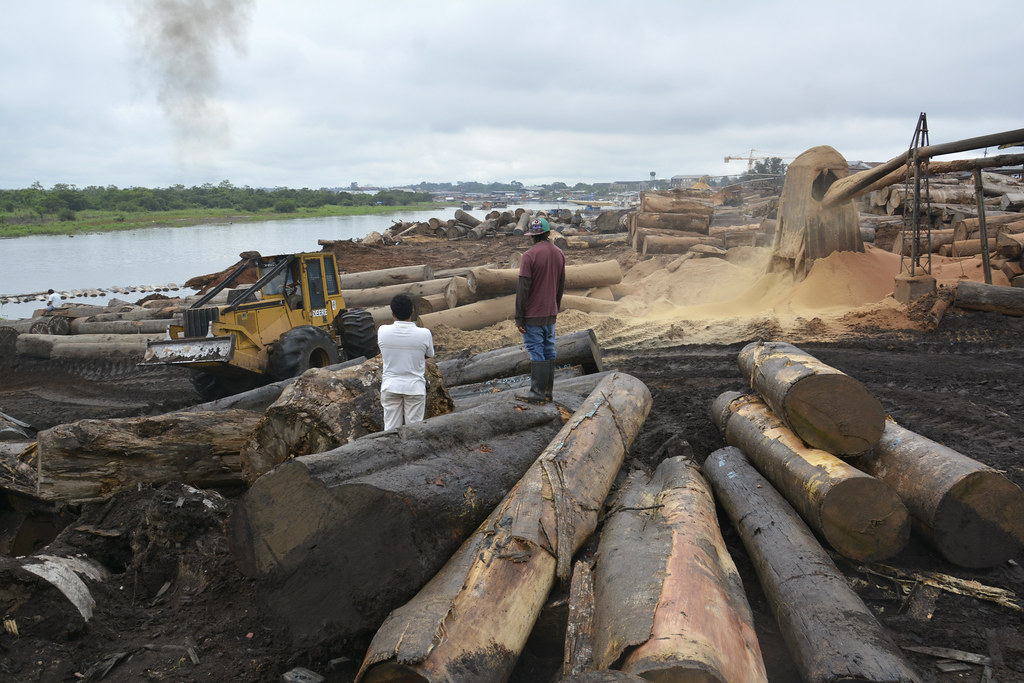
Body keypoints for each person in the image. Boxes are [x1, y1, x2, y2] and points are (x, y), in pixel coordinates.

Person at [515, 216, 566, 404]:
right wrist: (555, 308)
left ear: (532, 236)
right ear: (549, 233)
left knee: (536, 350)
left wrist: (519, 318)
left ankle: (537, 393)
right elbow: (561, 284)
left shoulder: (529, 256)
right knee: (549, 350)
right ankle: (547, 392)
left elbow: (523, 289)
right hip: (550, 312)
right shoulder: (559, 253)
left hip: (532, 315)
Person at [377, 294, 435, 430]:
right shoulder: (425, 334)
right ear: (413, 312)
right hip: (415, 387)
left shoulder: (382, 331)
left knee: (391, 431)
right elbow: (429, 354)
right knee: (414, 431)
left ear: (392, 313)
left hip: (390, 386)